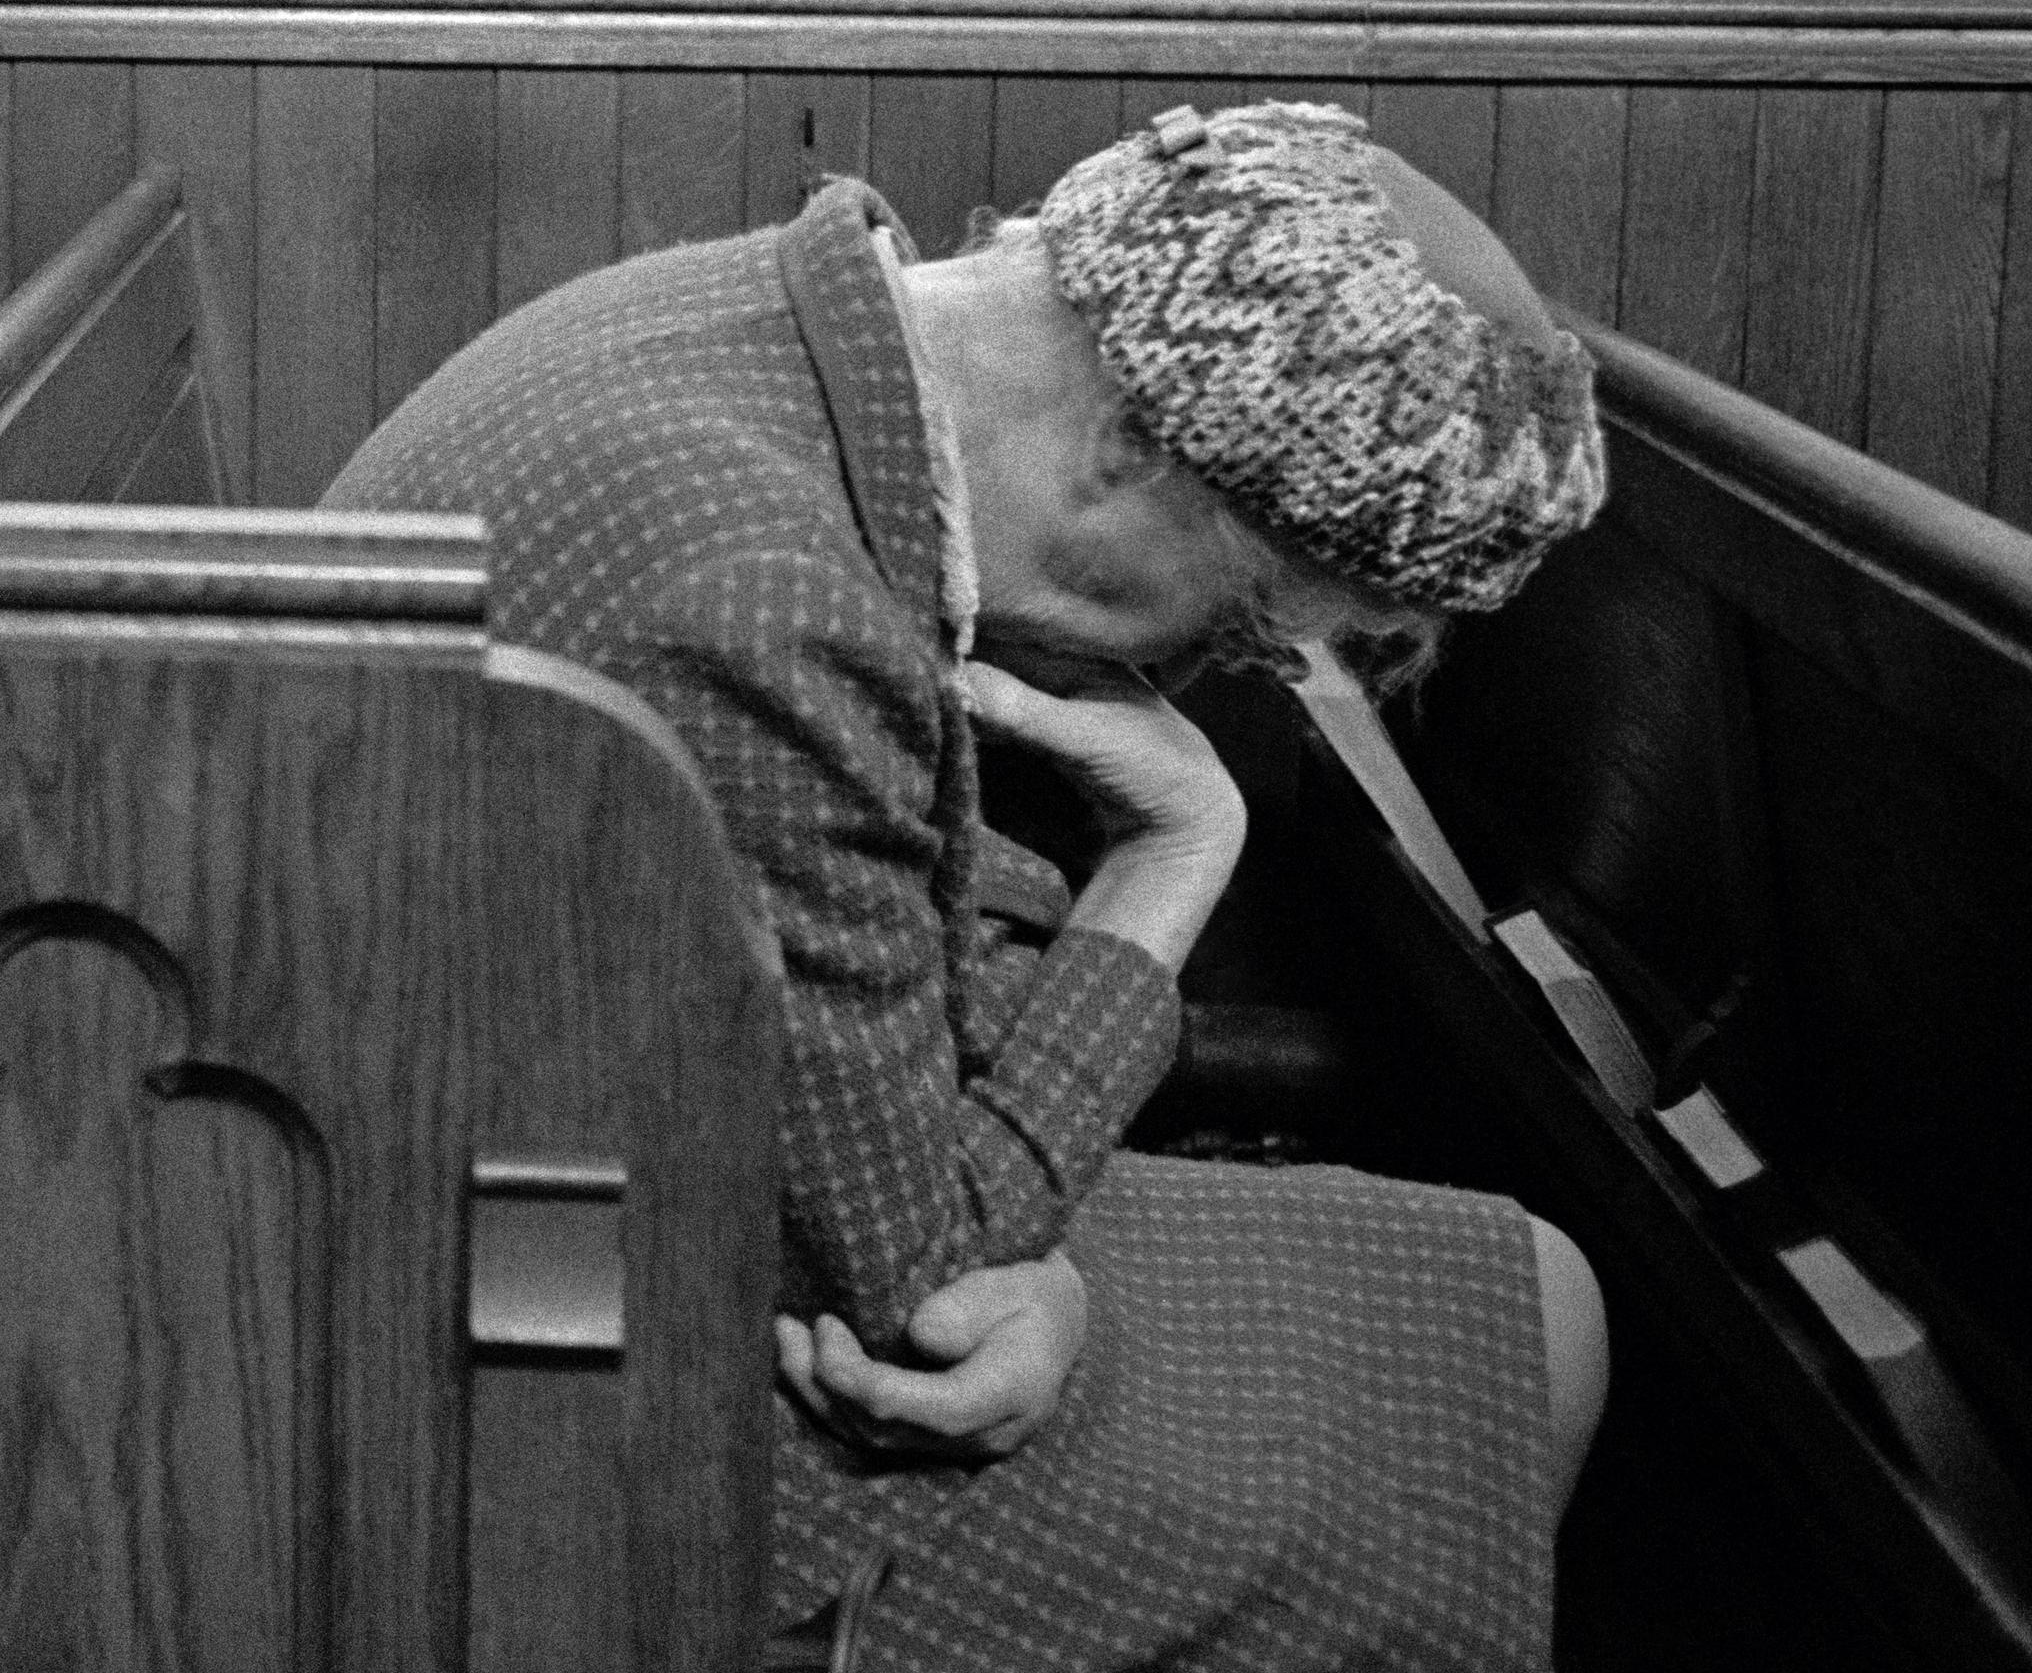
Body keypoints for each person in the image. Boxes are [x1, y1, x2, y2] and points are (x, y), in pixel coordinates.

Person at [326, 101, 1612, 1670]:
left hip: (527, 1192)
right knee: (1508, 1351)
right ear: (1135, 440)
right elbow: (918, 1291)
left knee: (1518, 1297)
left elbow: (847, 917)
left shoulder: (764, 327)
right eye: (1252, 619)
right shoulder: (760, 601)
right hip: (533, 1404)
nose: (1208, 668)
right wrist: (1173, 857)